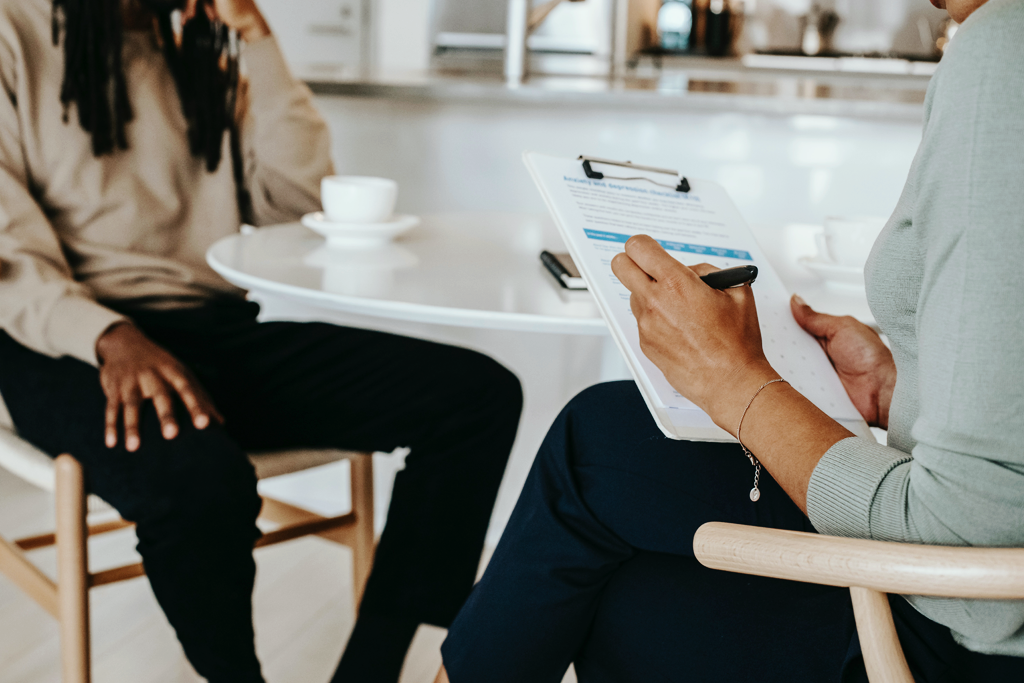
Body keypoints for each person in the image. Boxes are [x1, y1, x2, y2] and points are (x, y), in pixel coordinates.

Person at [435, 0, 1024, 681]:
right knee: (612, 501)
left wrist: (735, 382)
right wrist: (900, 389)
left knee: (598, 455)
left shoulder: (1003, 46)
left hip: (967, 648)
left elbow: (974, 562)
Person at [0, 1, 522, 682]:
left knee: (476, 397)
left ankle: (370, 668)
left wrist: (260, 41)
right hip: (64, 340)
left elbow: (294, 200)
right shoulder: (14, 28)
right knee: (201, 480)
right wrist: (108, 334)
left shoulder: (198, 47)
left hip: (210, 327)